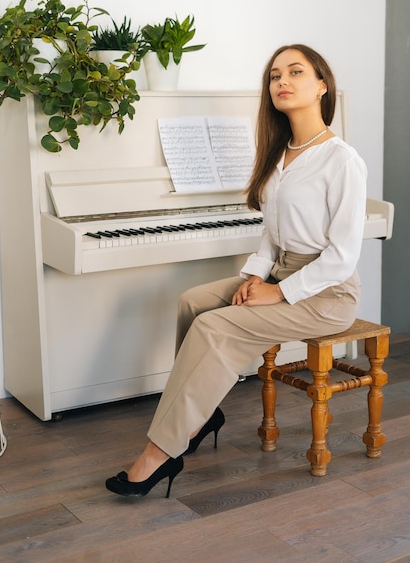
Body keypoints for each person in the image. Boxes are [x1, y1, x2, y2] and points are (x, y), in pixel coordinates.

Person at [105, 43, 367, 499]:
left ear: (322, 85)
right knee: (193, 302)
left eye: (295, 72)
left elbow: (342, 256)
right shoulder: (280, 153)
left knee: (214, 327)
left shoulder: (342, 159)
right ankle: (201, 415)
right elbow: (271, 233)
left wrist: (279, 293)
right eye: (274, 76)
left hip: (327, 294)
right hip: (281, 274)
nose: (281, 81)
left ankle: (160, 451)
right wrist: (256, 277)